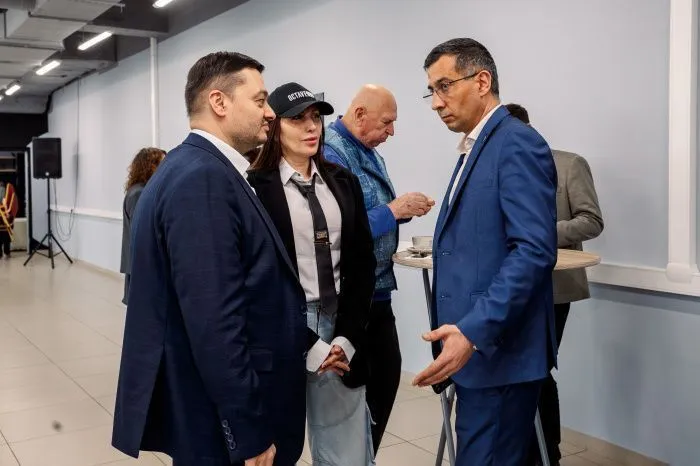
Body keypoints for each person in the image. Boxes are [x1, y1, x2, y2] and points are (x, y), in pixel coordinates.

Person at [112, 52, 308, 466]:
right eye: (259, 101)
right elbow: (215, 322)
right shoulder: (202, 179)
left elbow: (249, 287)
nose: (270, 113)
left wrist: (310, 344)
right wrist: (249, 431)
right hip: (223, 421)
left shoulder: (200, 168)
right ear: (219, 102)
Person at [413, 38, 558, 465]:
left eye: (444, 86)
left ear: (481, 81)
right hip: (479, 351)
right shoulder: (475, 147)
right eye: (431, 91)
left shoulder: (515, 143)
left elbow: (533, 251)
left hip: (497, 350)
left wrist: (474, 330)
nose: (436, 103)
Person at [248, 82, 377, 466]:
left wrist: (347, 337)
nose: (311, 127)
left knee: (345, 454)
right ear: (274, 128)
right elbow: (258, 280)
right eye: (297, 119)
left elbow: (362, 263)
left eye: (315, 118)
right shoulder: (255, 188)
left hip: (339, 329)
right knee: (277, 448)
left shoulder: (343, 182)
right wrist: (308, 343)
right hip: (282, 329)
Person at [323, 84, 435, 451]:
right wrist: (393, 210)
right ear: (359, 115)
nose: (392, 131)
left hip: (379, 290)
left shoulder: (367, 151)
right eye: (387, 122)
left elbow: (371, 212)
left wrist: (402, 211)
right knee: (355, 396)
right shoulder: (330, 154)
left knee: (384, 382)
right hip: (351, 297)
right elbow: (339, 230)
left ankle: (364, 456)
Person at [506, 103, 604, 466]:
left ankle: (549, 452)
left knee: (538, 369)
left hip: (554, 288)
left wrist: (540, 234)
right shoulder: (501, 169)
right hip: (510, 286)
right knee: (519, 371)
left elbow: (591, 221)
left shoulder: (569, 164)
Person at [120, 147, 165, 305]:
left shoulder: (141, 190)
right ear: (149, 166)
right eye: (161, 163)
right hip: (142, 265)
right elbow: (141, 233)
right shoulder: (138, 193)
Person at [0, 181, 18, 259]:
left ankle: (2, 253)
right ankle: (6, 253)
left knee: (3, 239)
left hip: (4, 220)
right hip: (6, 221)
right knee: (6, 239)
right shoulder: (7, 195)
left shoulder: (7, 196)